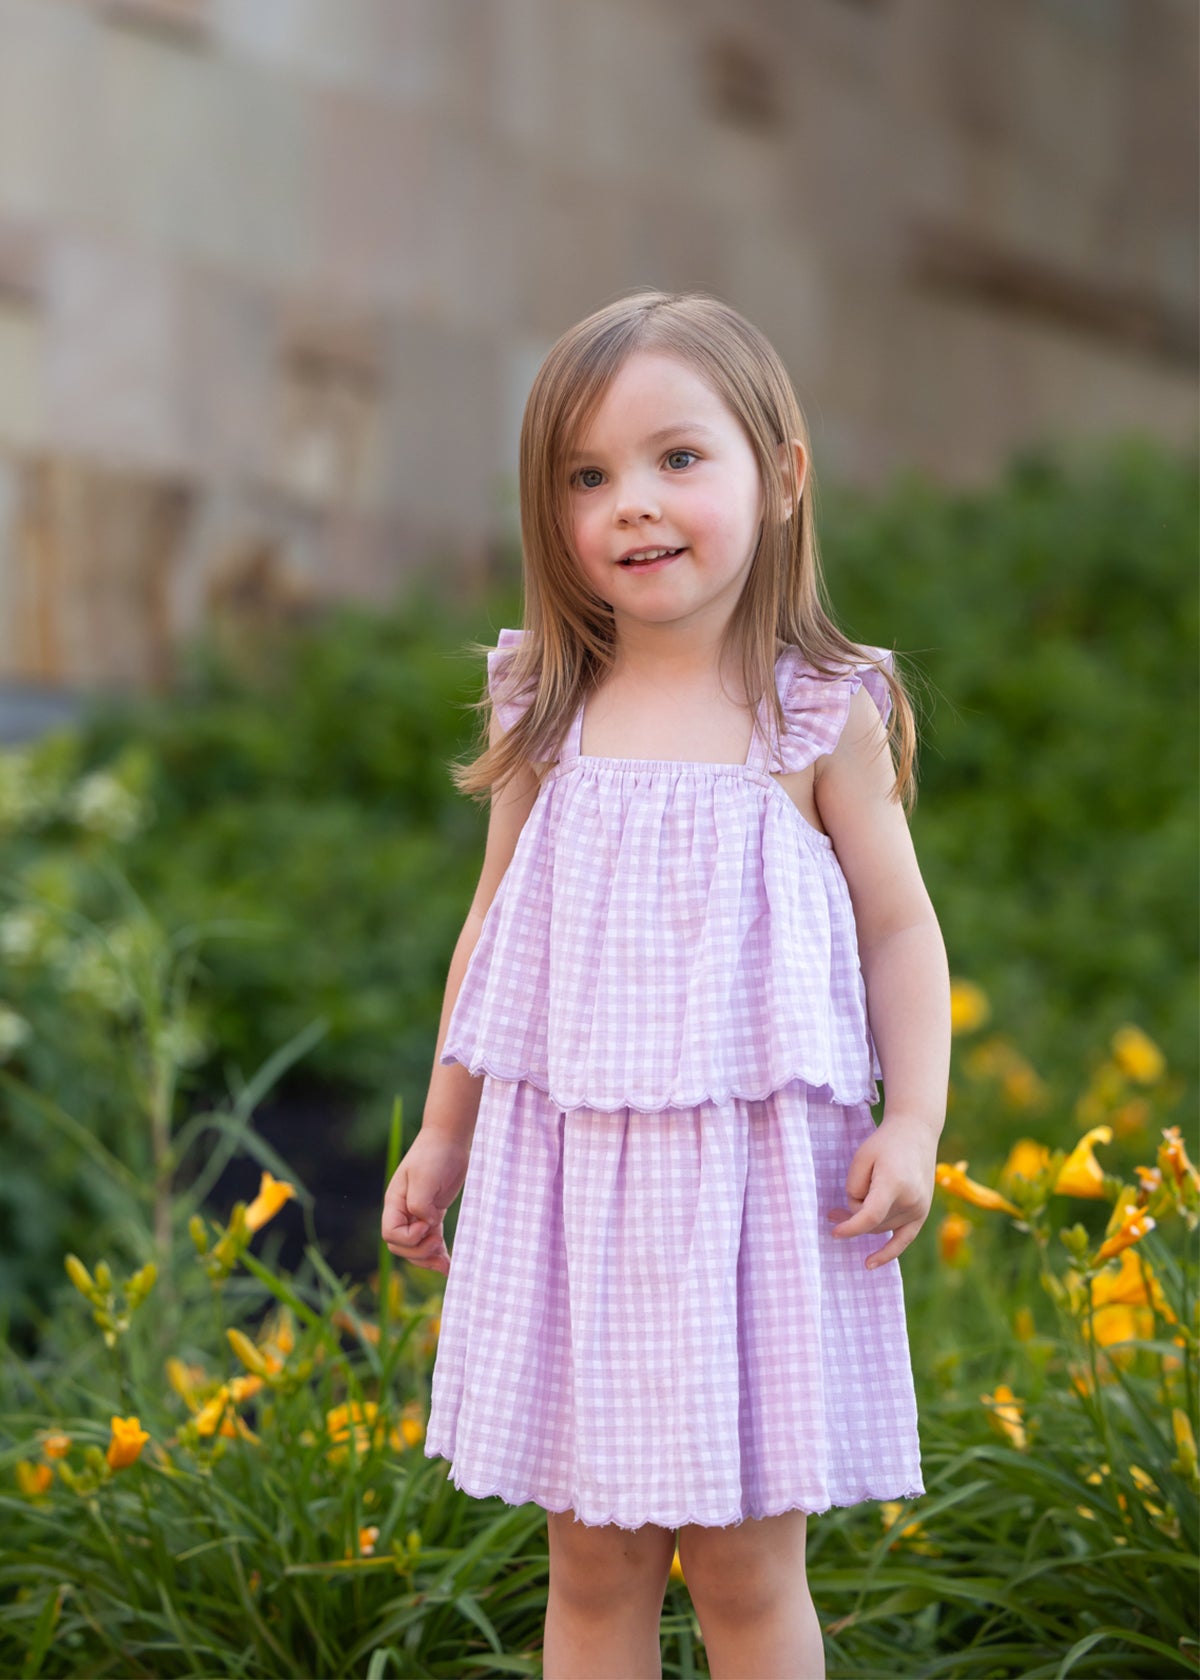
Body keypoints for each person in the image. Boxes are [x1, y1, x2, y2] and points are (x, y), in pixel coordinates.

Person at [382, 288, 951, 1680]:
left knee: (750, 1572)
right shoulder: (546, 706)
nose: (632, 502)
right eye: (589, 476)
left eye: (677, 459)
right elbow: (492, 936)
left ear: (783, 475)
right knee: (594, 1566)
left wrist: (917, 1120)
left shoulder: (817, 713)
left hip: (760, 1194)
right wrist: (447, 1128)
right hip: (577, 1188)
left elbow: (900, 932)